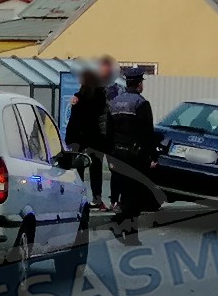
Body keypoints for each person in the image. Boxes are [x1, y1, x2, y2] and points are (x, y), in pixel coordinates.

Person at [107, 67, 157, 233]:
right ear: (139, 84)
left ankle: (126, 227)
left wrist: (109, 155)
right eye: (142, 82)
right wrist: (152, 156)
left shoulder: (114, 103)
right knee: (135, 193)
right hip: (135, 155)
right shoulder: (141, 104)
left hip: (117, 153)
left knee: (124, 191)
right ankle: (123, 224)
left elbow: (108, 131)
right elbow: (147, 133)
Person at [65, 67, 110, 210]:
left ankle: (79, 199)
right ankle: (97, 199)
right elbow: (104, 119)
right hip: (96, 139)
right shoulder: (101, 97)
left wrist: (69, 139)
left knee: (78, 169)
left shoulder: (78, 98)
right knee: (96, 171)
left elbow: (73, 121)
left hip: (79, 139)